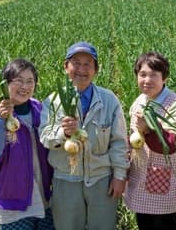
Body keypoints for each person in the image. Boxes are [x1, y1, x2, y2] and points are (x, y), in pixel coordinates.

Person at [39, 41, 130, 230]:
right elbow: (44, 136)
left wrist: (120, 176)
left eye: (88, 64)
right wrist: (63, 133)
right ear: (66, 67)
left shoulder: (108, 100)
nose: (81, 69)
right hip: (66, 180)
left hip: (101, 180)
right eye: (76, 63)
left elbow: (119, 142)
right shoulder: (52, 101)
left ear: (96, 70)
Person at [0, 58, 54, 229]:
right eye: (18, 81)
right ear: (6, 84)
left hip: (44, 197)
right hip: (13, 204)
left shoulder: (40, 110)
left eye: (30, 81)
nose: (25, 86)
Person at [124, 52, 176, 230]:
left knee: (164, 225)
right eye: (142, 74)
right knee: (144, 223)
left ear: (164, 78)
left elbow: (171, 144)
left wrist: (149, 128)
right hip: (140, 176)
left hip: (165, 178)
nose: (147, 80)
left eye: (153, 75)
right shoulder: (140, 101)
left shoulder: (173, 103)